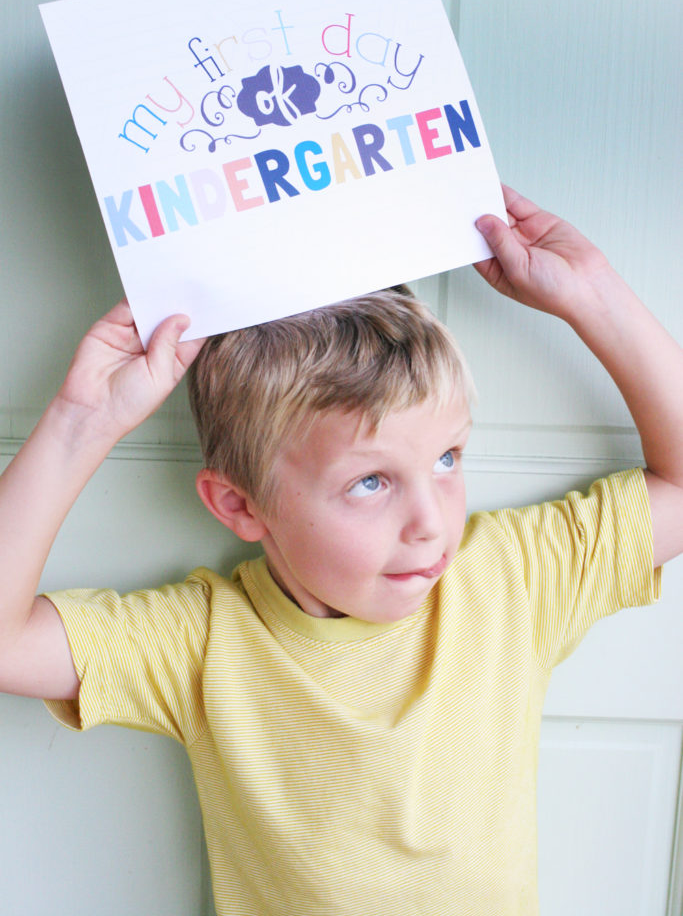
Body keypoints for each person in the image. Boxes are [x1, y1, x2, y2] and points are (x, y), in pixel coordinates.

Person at [0, 186, 681, 914]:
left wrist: (592, 292)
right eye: (370, 482)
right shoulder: (206, 643)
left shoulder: (510, 578)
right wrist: (81, 422)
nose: (430, 522)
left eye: (448, 458)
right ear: (239, 504)